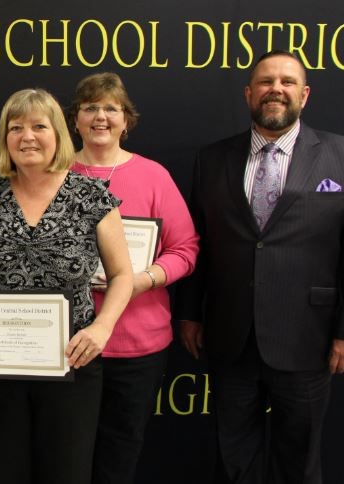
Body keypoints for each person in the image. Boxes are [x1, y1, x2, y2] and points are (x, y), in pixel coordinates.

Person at [176, 50, 344, 484]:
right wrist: (190, 313)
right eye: (266, 82)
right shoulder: (212, 159)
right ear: (249, 93)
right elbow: (200, 241)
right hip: (232, 335)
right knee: (234, 457)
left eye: (287, 82)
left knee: (300, 460)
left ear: (304, 95)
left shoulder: (340, 156)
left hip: (308, 336)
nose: (276, 89)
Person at [0, 87, 133, 484]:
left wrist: (102, 327)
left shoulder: (92, 197)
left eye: (38, 126)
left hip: (71, 362)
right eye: (15, 128)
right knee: (4, 472)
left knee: (65, 473)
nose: (27, 136)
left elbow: (121, 275)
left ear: (58, 135)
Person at [66, 72, 199, 484]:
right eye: (90, 107)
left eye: (111, 108)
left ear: (127, 121)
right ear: (75, 120)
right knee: (67, 453)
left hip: (138, 344)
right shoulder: (54, 173)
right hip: (68, 341)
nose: (100, 116)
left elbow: (185, 249)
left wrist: (141, 279)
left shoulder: (153, 176)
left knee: (120, 452)